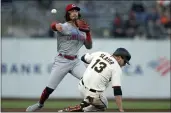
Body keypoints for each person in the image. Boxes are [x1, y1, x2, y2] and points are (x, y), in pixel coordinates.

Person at [26, 3, 92, 112]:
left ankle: (88, 104)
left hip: (75, 61)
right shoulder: (64, 26)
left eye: (76, 11)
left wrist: (88, 33)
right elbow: (54, 26)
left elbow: (89, 46)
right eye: (72, 11)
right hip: (62, 60)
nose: (74, 12)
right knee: (49, 88)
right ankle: (40, 104)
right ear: (67, 13)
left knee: (89, 80)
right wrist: (54, 25)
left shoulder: (82, 29)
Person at [58, 47, 131, 112]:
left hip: (81, 86)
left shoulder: (101, 53)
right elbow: (117, 90)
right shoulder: (116, 68)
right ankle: (82, 108)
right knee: (104, 105)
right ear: (118, 58)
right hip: (94, 94)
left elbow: (83, 58)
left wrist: (92, 68)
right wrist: (121, 109)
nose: (124, 64)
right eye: (124, 61)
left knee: (94, 101)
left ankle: (84, 104)